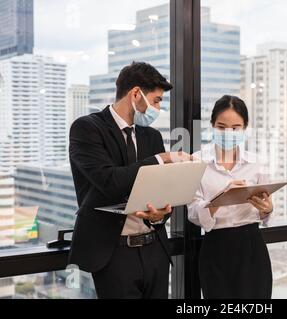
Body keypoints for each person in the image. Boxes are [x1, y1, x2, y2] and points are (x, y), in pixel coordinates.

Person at [69, 61, 191, 299]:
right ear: (136, 94)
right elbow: (109, 180)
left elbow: (160, 189)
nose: (157, 108)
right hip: (114, 253)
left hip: (155, 249)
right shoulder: (86, 128)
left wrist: (161, 215)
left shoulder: (152, 136)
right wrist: (160, 159)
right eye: (156, 101)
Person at [188, 95, 274, 299]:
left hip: (251, 246)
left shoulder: (257, 162)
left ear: (245, 127)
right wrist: (220, 197)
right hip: (215, 247)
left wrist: (267, 209)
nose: (229, 132)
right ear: (211, 125)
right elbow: (193, 213)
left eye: (236, 127)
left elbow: (265, 214)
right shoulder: (196, 162)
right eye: (221, 126)